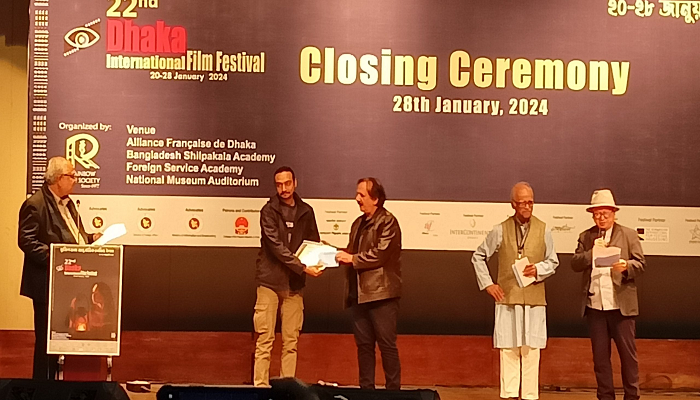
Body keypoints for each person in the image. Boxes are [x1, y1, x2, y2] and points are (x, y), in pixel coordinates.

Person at [471, 182, 559, 400]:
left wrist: (538, 269)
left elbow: (553, 262)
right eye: (523, 203)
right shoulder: (500, 229)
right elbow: (478, 256)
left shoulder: (544, 229)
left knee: (531, 351)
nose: (527, 206)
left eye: (530, 202)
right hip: (508, 298)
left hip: (534, 300)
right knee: (509, 350)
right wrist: (488, 284)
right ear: (513, 204)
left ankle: (529, 397)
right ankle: (510, 396)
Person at [18, 156, 101, 379]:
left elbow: (72, 237)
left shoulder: (69, 203)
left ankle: (61, 385)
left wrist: (90, 238)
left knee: (64, 338)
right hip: (47, 285)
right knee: (46, 341)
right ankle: (42, 387)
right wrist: (56, 258)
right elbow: (26, 241)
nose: (76, 180)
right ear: (57, 178)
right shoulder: (35, 204)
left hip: (70, 284)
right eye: (71, 176)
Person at [571, 189, 645, 400]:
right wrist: (591, 253)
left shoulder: (628, 235)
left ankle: (632, 396)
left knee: (628, 357)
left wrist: (626, 266)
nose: (601, 218)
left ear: (613, 213)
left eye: (605, 213)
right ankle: (605, 396)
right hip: (595, 306)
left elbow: (641, 263)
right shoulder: (586, 236)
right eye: (597, 214)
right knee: (601, 359)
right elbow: (575, 263)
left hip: (621, 306)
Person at [254, 166, 323, 387]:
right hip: (269, 283)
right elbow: (276, 247)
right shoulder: (268, 211)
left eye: (287, 183)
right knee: (265, 339)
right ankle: (261, 388)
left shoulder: (307, 211)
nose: (283, 188)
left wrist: (321, 257)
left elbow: (313, 242)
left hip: (294, 285)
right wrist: (303, 267)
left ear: (295, 183)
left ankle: (287, 391)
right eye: (279, 184)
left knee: (291, 342)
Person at [335, 178, 402, 390]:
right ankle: (366, 392)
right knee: (364, 347)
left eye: (362, 195)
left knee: (387, 346)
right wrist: (329, 253)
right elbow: (351, 253)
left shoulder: (388, 222)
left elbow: (380, 254)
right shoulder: (357, 223)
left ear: (376, 199)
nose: (357, 198)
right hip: (359, 294)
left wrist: (351, 258)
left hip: (381, 295)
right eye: (357, 194)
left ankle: (393, 393)